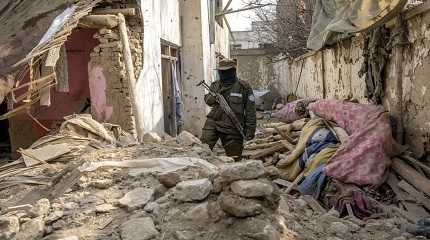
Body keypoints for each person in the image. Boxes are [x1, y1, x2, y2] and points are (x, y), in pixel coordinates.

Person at [200, 59, 256, 161]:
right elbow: (208, 100)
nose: (224, 74)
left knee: (234, 157)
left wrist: (250, 130)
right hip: (214, 122)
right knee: (202, 150)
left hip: (233, 126)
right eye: (221, 71)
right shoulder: (215, 85)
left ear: (233, 71)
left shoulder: (244, 87)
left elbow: (250, 111)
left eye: (227, 71)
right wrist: (213, 98)